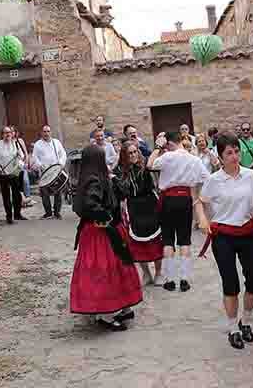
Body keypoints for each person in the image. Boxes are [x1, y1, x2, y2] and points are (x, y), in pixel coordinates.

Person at [194, 132, 253, 349]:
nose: (234, 156)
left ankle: (246, 321)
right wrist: (203, 220)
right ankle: (233, 327)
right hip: (223, 236)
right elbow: (200, 202)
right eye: (229, 152)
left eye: (236, 151)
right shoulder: (214, 180)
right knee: (230, 283)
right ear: (221, 156)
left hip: (249, 233)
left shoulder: (252, 176)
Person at [71, 144, 142, 331]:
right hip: (99, 234)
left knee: (116, 268)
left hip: (108, 232)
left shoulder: (100, 178)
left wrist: (113, 178)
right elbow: (90, 204)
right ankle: (108, 313)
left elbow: (125, 191)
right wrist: (105, 218)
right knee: (103, 271)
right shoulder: (93, 180)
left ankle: (122, 308)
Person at [148, 131, 210, 292]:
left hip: (168, 199)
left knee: (168, 239)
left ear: (169, 144)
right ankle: (184, 279)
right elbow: (206, 177)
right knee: (184, 239)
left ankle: (169, 279)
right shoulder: (193, 159)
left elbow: (150, 165)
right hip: (185, 199)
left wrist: (157, 147)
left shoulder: (167, 156)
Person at [113, 141, 164, 286]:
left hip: (150, 204)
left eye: (135, 151)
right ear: (124, 155)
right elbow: (122, 191)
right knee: (136, 242)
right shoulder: (118, 171)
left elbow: (155, 167)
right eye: (130, 153)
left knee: (155, 241)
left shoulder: (145, 164)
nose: (134, 155)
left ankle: (159, 273)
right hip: (133, 206)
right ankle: (146, 273)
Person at [0, 126, 27, 224]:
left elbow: (21, 157)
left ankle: (17, 214)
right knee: (6, 196)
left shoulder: (15, 144)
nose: (8, 134)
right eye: (5, 133)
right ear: (2, 135)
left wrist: (20, 161)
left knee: (17, 195)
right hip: (3, 174)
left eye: (9, 132)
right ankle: (9, 216)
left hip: (14, 173)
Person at [32, 125, 67, 220]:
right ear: (41, 133)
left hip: (55, 171)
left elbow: (63, 154)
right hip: (44, 172)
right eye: (44, 131)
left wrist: (60, 163)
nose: (46, 133)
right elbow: (35, 158)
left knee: (58, 191)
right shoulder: (37, 144)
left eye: (48, 131)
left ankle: (57, 212)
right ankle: (48, 213)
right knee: (44, 193)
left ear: (51, 132)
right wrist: (40, 165)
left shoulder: (56, 142)